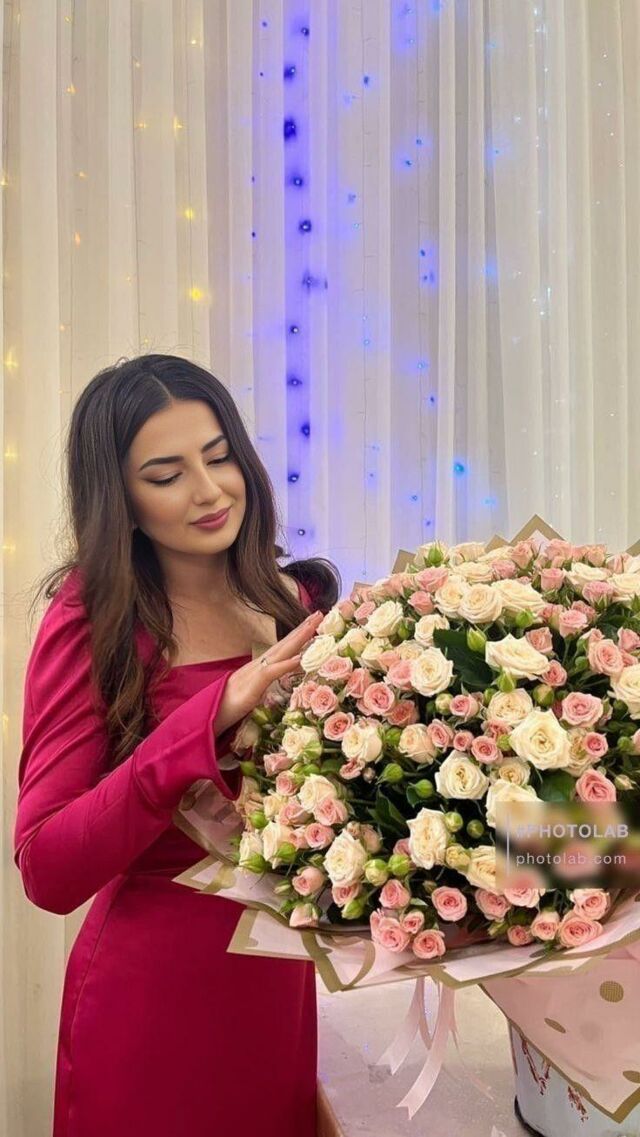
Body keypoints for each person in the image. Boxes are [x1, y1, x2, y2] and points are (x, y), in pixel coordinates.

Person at [14, 354, 341, 1137]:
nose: (208, 490)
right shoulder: (92, 619)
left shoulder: (295, 600)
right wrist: (208, 716)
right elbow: (47, 867)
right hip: (150, 1003)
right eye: (166, 474)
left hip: (276, 994)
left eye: (218, 456)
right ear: (121, 501)